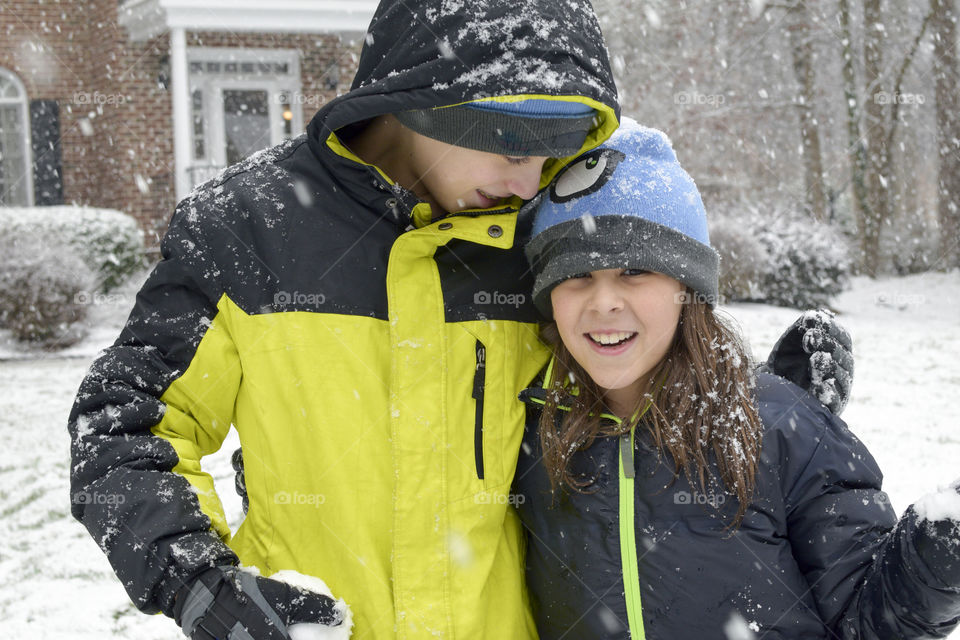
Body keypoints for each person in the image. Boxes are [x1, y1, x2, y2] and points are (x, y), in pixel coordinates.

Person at [67, 1, 849, 637]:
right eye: (510, 139)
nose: (529, 176)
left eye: (557, 147)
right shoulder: (246, 229)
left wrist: (737, 409)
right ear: (409, 97)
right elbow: (122, 428)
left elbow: (609, 400)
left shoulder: (535, 236)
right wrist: (201, 582)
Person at [513, 118, 960, 639]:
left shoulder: (782, 430)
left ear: (688, 288)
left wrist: (939, 553)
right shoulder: (532, 434)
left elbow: (870, 620)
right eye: (576, 276)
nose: (604, 301)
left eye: (634, 272)